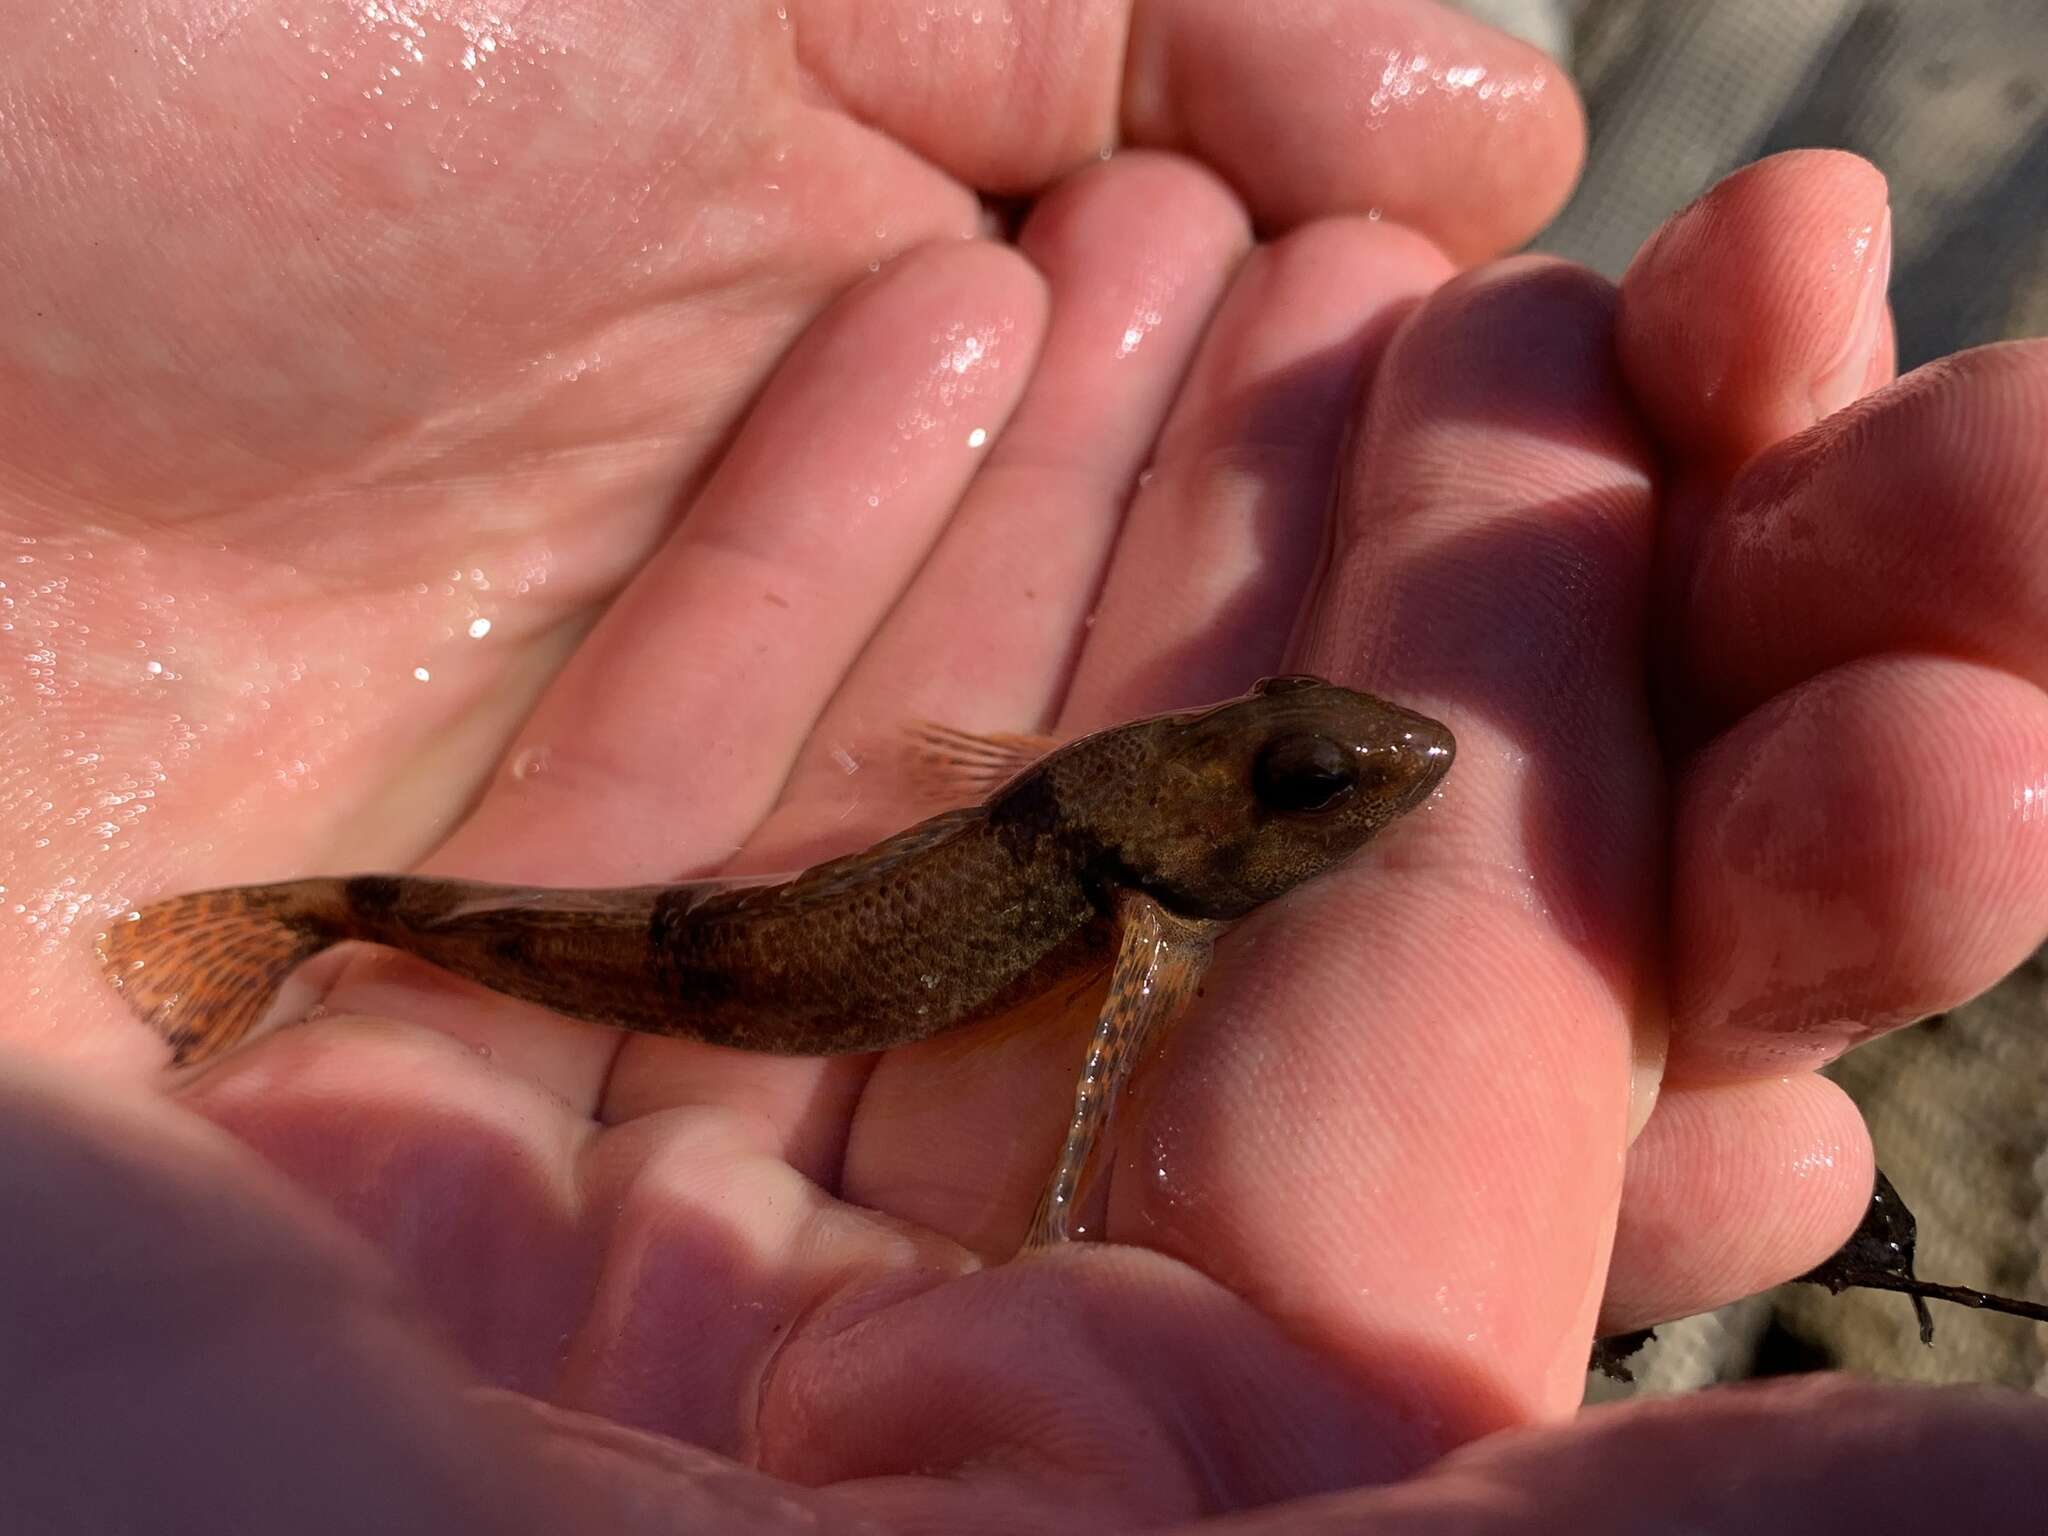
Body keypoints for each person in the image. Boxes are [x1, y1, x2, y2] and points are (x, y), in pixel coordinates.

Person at [4, 2, 2045, 1529]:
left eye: (1295, 764)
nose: (1385, 764)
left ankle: (309, 919)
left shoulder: (1110, 806)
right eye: (1298, 782)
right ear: (1173, 809)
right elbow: (1091, 1082)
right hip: (709, 936)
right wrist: (1080, 1175)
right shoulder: (1129, 890)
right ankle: (300, 922)